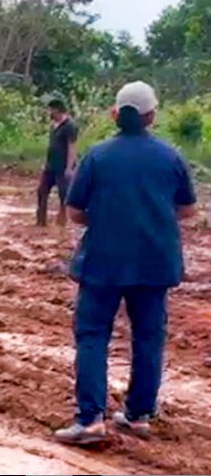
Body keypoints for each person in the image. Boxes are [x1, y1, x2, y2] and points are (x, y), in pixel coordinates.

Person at [54, 81, 197, 446]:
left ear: (115, 114)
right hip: (154, 263)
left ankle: (90, 421)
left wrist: (107, 218)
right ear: (152, 116)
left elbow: (74, 211)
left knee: (92, 336)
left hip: (103, 262)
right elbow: (187, 210)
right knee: (149, 338)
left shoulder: (98, 157)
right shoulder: (171, 156)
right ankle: (138, 415)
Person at [37, 97, 79, 226]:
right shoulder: (53, 126)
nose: (49, 113)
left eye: (51, 110)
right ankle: (41, 221)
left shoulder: (70, 126)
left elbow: (72, 147)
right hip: (50, 166)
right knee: (42, 191)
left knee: (63, 194)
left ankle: (63, 220)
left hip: (62, 167)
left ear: (57, 110)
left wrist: (69, 167)